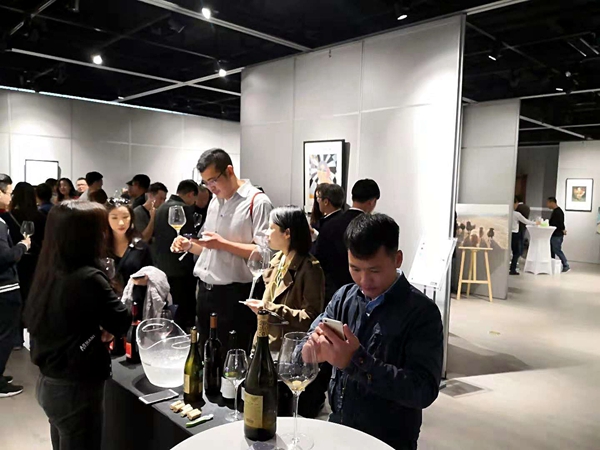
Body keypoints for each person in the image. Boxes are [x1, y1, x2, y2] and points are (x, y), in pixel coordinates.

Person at [303, 213, 443, 449]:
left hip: (388, 440)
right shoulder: (344, 298)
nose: (364, 280)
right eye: (355, 268)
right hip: (338, 429)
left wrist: (356, 360)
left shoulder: (422, 313)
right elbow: (308, 339)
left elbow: (423, 390)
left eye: (374, 270)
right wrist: (308, 352)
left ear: (397, 259)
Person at [26, 201, 131, 450]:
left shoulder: (49, 268)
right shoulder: (88, 277)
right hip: (75, 386)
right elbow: (121, 320)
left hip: (49, 381)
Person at [171, 148, 273, 350]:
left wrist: (223, 244)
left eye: (213, 180)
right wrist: (189, 245)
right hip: (204, 292)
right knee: (205, 353)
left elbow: (265, 254)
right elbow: (210, 249)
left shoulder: (257, 201)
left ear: (229, 171)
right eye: (205, 183)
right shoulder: (215, 202)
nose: (210, 187)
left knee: (231, 356)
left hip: (234, 295)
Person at [244, 206, 325, 418]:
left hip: (286, 354)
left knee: (278, 413)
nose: (267, 233)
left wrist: (271, 309)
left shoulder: (310, 268)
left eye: (271, 228)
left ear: (287, 233)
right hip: (265, 344)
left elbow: (311, 318)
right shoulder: (278, 260)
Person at [0, 174, 30, 397]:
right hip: (5, 288)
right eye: (8, 193)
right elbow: (5, 257)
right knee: (5, 335)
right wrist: (23, 246)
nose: (10, 197)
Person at [154, 180, 198, 328]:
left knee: (170, 307)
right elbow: (189, 238)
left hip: (163, 265)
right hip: (181, 268)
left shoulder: (161, 207)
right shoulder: (183, 209)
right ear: (191, 194)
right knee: (184, 310)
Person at [8, 182, 47, 348]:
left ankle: (17, 339)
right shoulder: (41, 217)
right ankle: (35, 336)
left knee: (16, 300)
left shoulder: (7, 218)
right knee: (35, 298)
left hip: (16, 261)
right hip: (36, 262)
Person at [107, 199, 153, 296]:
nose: (121, 223)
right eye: (114, 218)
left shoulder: (140, 247)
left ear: (131, 218)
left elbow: (153, 274)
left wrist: (145, 280)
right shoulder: (100, 247)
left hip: (135, 299)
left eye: (125, 217)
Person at [312, 183, 348, 302]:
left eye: (319, 198)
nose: (317, 202)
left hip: (329, 281)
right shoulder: (346, 219)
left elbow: (318, 254)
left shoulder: (327, 225)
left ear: (326, 201)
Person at [510, 197, 536, 275]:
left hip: (509, 233)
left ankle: (511, 267)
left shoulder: (508, 213)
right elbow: (525, 221)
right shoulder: (516, 214)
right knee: (517, 252)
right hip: (515, 234)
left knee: (512, 251)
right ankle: (513, 268)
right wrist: (535, 223)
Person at [547, 196, 570, 273]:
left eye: (548, 203)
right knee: (552, 250)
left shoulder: (558, 212)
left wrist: (563, 229)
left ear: (552, 202)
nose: (547, 205)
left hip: (557, 234)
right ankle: (552, 264)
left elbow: (560, 223)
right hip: (554, 234)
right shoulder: (556, 211)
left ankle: (566, 264)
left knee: (556, 249)